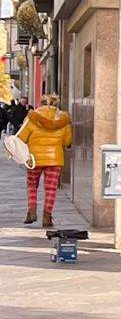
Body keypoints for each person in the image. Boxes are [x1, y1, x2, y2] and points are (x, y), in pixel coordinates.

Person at [17, 95, 72, 229]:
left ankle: (32, 211)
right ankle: (47, 217)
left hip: (34, 159)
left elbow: (21, 138)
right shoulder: (63, 120)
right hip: (54, 159)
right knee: (51, 189)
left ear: (40, 104)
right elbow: (67, 141)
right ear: (55, 104)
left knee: (32, 185)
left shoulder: (32, 118)